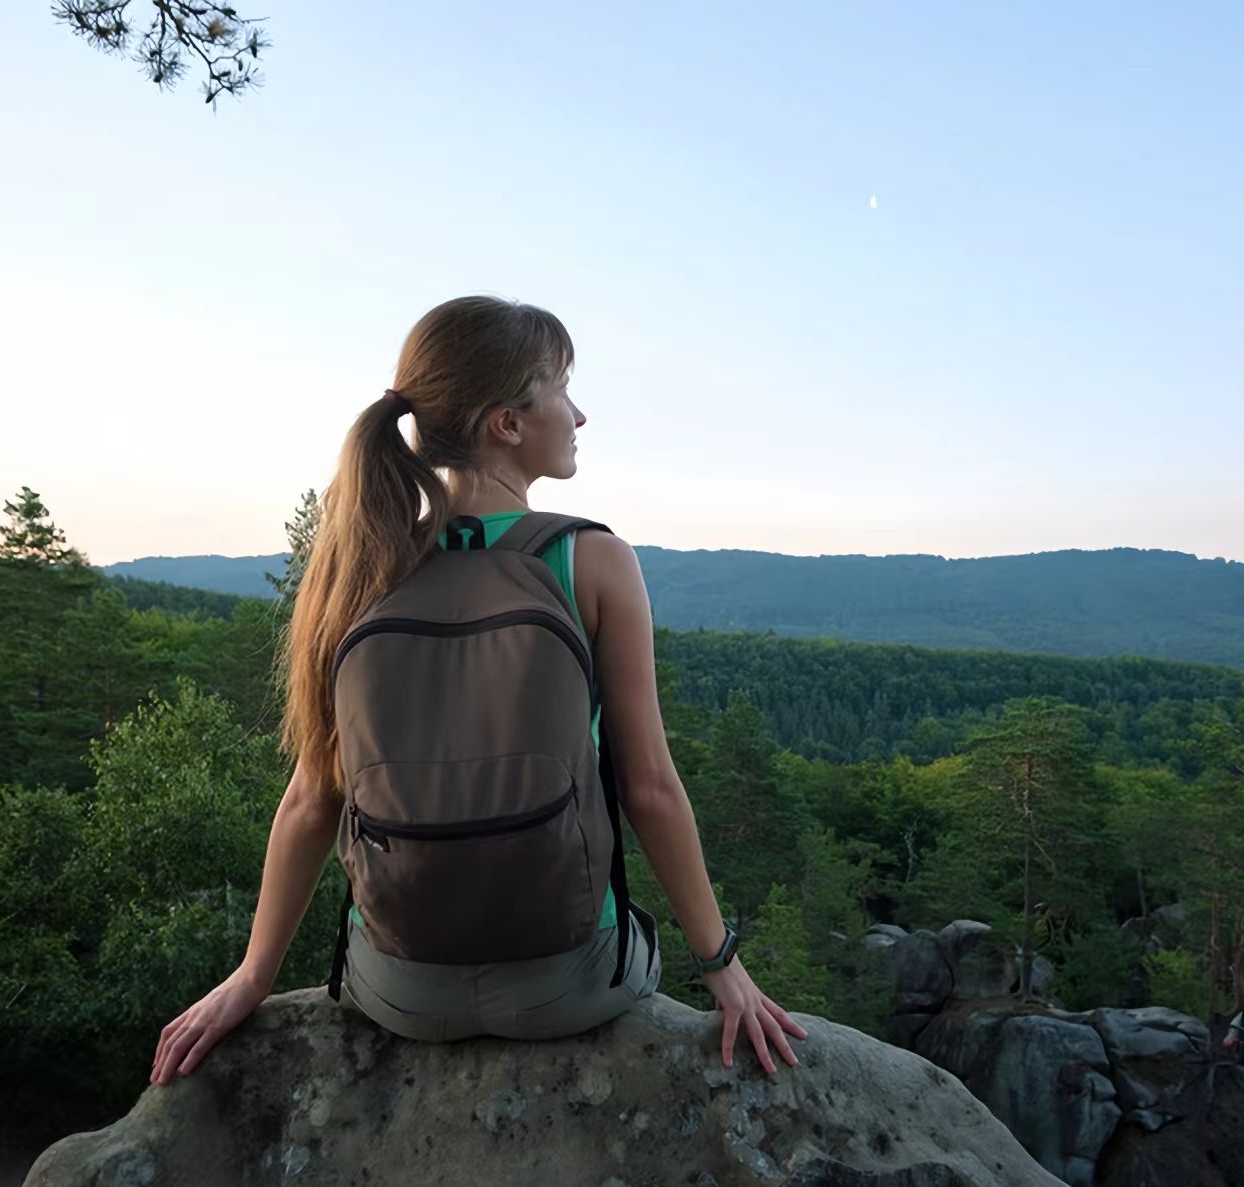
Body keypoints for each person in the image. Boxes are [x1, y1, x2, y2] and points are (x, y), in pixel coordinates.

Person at [149, 296, 808, 1087]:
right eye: (562, 388)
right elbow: (651, 788)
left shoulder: (362, 567)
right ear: (507, 422)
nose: (580, 414)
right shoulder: (590, 560)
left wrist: (254, 975)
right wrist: (722, 966)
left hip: (397, 990)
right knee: (630, 935)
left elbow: (310, 800)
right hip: (567, 985)